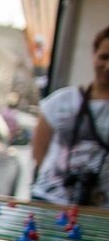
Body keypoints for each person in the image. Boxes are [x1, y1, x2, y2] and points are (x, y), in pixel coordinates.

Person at [31, 25, 109, 207]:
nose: (108, 66)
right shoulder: (62, 100)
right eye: (104, 57)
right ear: (94, 55)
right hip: (49, 201)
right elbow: (38, 149)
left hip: (101, 212)